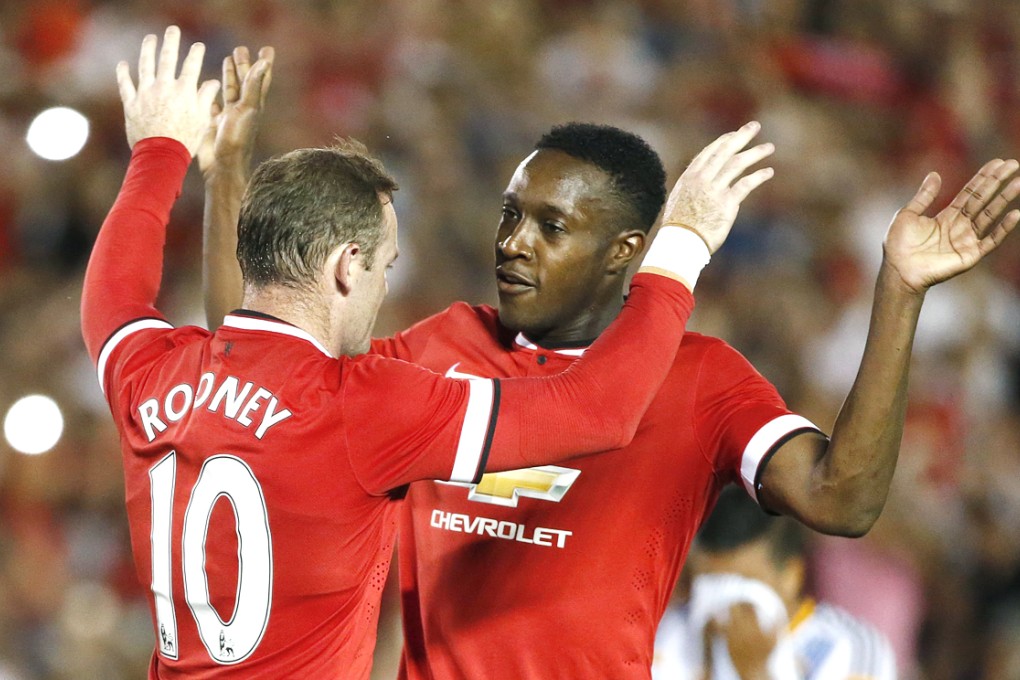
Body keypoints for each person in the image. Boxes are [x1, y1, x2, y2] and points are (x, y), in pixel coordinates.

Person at [201, 49, 1019, 679]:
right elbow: (269, 362)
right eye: (511, 215)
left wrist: (900, 290)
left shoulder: (702, 379)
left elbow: (843, 500)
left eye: (552, 227)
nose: (514, 241)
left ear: (627, 252)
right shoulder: (441, 344)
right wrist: (228, 171)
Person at [80, 28, 774, 679]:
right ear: (348, 267)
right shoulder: (365, 405)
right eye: (386, 267)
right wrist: (682, 243)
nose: (386, 286)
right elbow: (599, 410)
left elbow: (113, 293)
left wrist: (160, 149)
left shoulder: (149, 369)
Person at [652, 486, 897, 679]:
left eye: (742, 585)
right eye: (708, 582)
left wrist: (757, 674)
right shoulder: (670, 633)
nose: (721, 601)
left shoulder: (846, 646)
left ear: (791, 575)